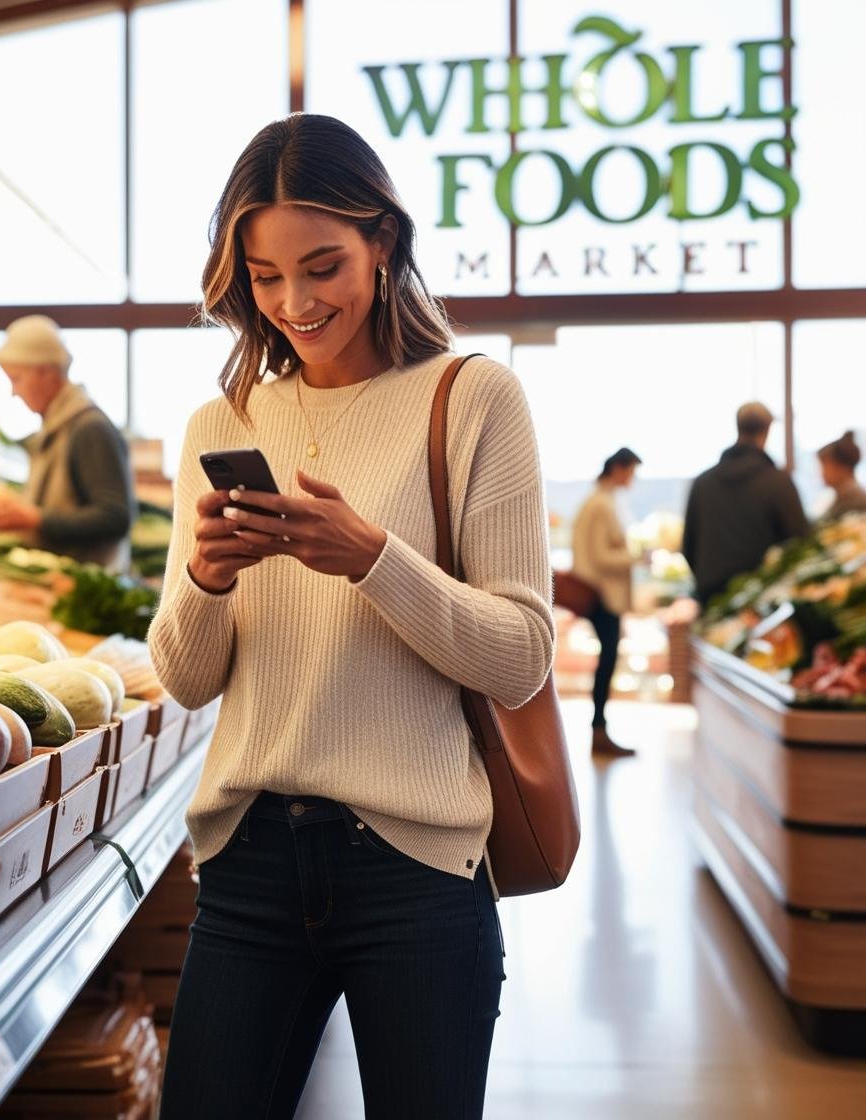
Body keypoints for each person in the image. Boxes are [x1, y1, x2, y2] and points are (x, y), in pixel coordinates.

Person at [147, 114, 553, 1119]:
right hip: (247, 862)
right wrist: (204, 576)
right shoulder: (223, 421)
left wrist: (373, 560)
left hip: (417, 870)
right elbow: (185, 674)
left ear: (384, 239)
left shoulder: (472, 398)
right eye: (265, 274)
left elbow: (522, 657)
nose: (294, 301)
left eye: (322, 264)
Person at [0, 315, 137, 569]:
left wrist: (36, 519)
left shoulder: (89, 428)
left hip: (85, 590)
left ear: (46, 372)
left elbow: (115, 517)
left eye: (16, 379)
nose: (14, 392)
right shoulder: (58, 425)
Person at [682, 402, 809, 607]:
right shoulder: (777, 482)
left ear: (738, 427)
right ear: (766, 431)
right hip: (764, 603)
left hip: (711, 598)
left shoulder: (702, 483)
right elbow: (799, 542)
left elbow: (688, 546)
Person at [571, 448, 642, 758]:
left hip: (602, 595)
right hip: (602, 595)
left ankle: (600, 728)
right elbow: (600, 556)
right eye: (631, 471)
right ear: (618, 468)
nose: (632, 479)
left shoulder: (602, 501)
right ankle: (599, 729)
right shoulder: (600, 504)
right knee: (608, 660)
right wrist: (638, 556)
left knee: (609, 659)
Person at [817, 431, 866, 521]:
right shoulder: (844, 494)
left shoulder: (853, 498)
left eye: (824, 466)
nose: (820, 473)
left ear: (841, 467)